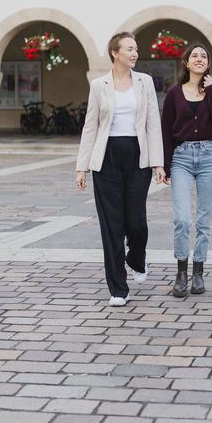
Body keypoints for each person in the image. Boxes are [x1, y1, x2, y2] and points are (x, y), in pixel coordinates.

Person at [76, 31, 166, 307]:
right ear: (115, 53)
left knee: (136, 221)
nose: (134, 53)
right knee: (111, 225)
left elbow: (153, 121)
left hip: (138, 157)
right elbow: (91, 125)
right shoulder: (98, 85)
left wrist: (158, 162)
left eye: (136, 49)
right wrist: (82, 167)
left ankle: (136, 258)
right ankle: (117, 287)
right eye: (129, 49)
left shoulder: (144, 82)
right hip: (107, 159)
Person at [161, 44, 212, 297]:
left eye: (204, 56)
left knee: (204, 220)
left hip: (210, 158)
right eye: (194, 56)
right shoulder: (173, 93)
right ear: (186, 63)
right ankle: (181, 271)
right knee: (182, 219)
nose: (199, 59)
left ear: (208, 63)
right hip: (181, 158)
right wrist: (164, 165)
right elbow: (166, 131)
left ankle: (198, 273)